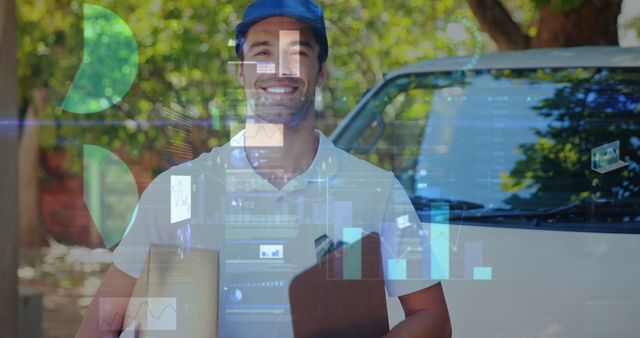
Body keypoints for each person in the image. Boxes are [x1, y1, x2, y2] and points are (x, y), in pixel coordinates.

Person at [75, 1, 452, 337]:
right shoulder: (176, 191)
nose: (280, 68)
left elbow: (432, 318)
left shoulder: (377, 191)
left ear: (320, 72)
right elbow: (101, 324)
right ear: (241, 71)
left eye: (298, 52)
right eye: (262, 51)